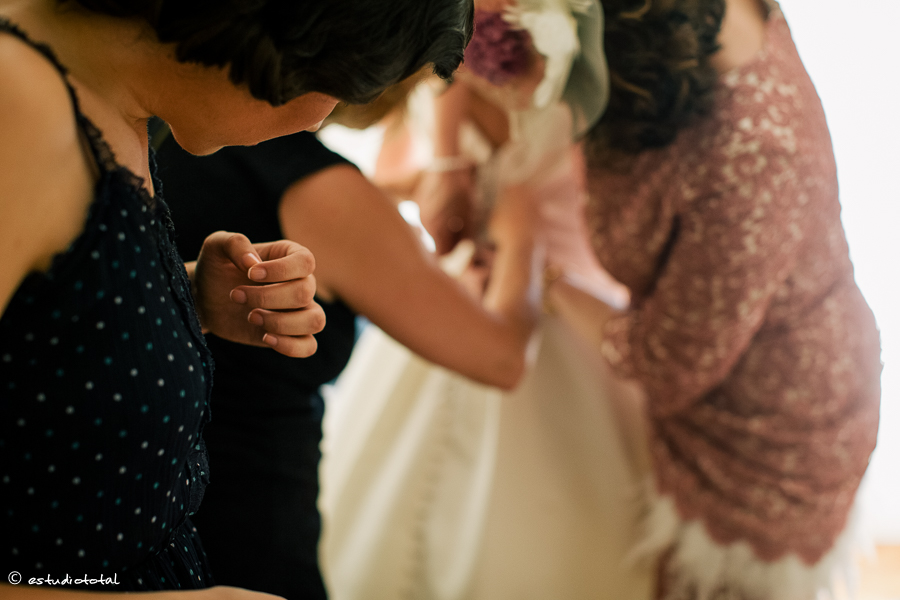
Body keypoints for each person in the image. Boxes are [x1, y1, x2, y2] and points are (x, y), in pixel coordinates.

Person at [0, 0, 473, 597]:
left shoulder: (114, 104)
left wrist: (184, 295)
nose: (317, 122)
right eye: (339, 85)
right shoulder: (14, 104)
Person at [154, 69, 546, 596]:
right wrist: (524, 237)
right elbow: (501, 357)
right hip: (249, 514)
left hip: (151, 498)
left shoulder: (176, 130)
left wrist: (386, 193)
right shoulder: (320, 190)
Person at [543, 0, 881, 597]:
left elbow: (670, 362)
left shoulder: (752, 156)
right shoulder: (726, 15)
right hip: (755, 333)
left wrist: (551, 284)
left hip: (766, 429)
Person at [318, 2, 657, 599]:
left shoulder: (585, 76)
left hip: (549, 302)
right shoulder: (443, 58)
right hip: (470, 291)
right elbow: (410, 180)